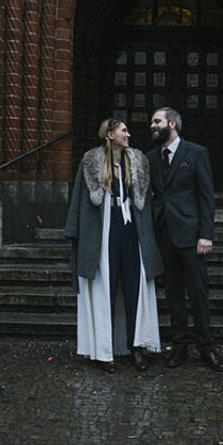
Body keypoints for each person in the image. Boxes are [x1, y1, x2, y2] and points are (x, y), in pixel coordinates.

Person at [65, 118, 163, 373]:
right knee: (103, 290)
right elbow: (79, 199)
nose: (128, 135)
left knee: (134, 289)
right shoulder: (91, 161)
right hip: (104, 232)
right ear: (109, 135)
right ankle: (103, 350)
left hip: (132, 232)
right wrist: (74, 233)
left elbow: (146, 203)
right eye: (123, 131)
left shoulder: (137, 161)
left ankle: (136, 347)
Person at [147, 107, 223, 372]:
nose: (152, 126)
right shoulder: (151, 157)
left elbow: (206, 196)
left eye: (156, 121)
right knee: (173, 294)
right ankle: (179, 346)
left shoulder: (196, 153)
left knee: (198, 293)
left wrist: (206, 234)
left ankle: (206, 348)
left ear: (172, 123)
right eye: (152, 122)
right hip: (164, 234)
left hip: (192, 236)